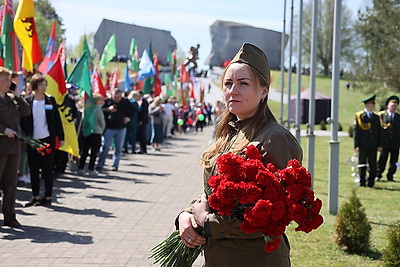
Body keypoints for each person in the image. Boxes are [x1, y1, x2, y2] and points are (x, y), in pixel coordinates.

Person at [176, 43, 303, 266]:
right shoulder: (227, 133)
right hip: (219, 254)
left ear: (264, 91)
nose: (232, 90)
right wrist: (186, 216)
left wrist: (206, 221)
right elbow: (212, 193)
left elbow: (274, 215)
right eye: (228, 83)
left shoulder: (275, 138)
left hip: (253, 257)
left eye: (243, 84)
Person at [21, 74, 64, 207]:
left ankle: (48, 196)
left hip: (47, 140)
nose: (44, 87)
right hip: (32, 141)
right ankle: (35, 196)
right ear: (35, 86)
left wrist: (61, 137)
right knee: (34, 169)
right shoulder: (27, 101)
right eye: (41, 85)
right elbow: (23, 121)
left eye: (45, 84)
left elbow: (57, 120)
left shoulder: (50, 100)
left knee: (47, 169)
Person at [0, 67, 30, 227]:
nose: (8, 83)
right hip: (1, 147)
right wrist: (3, 129)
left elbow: (26, 112)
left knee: (11, 183)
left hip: (13, 147)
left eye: (9, 80)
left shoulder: (11, 99)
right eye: (5, 79)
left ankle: (9, 216)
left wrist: (18, 95)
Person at [96, 89, 134, 172]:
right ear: (112, 95)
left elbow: (133, 111)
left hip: (121, 128)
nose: (118, 99)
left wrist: (128, 118)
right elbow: (100, 110)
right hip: (109, 127)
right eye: (116, 97)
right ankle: (100, 164)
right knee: (105, 146)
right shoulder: (107, 101)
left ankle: (115, 165)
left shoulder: (125, 102)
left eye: (120, 97)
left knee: (119, 148)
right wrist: (109, 109)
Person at [353, 94, 381, 187]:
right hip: (363, 145)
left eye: (373, 104)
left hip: (373, 145)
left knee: (373, 165)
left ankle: (371, 182)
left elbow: (378, 132)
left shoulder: (376, 117)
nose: (372, 106)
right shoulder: (360, 116)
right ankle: (362, 181)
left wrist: (379, 144)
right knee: (362, 164)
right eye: (370, 104)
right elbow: (356, 132)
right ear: (366, 105)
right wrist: (356, 145)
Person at [77, 93, 105, 176]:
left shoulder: (86, 109)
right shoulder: (98, 109)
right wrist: (101, 130)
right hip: (96, 132)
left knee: (84, 151)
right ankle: (91, 169)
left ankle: (81, 168)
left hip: (86, 132)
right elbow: (102, 122)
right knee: (93, 152)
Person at [377, 95, 400, 182]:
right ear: (388, 105)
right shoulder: (382, 116)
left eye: (395, 105)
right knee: (382, 160)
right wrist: (378, 144)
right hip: (384, 143)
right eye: (392, 105)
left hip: (395, 143)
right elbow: (378, 131)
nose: (394, 107)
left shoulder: (398, 117)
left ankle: (390, 176)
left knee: (394, 162)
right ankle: (378, 174)